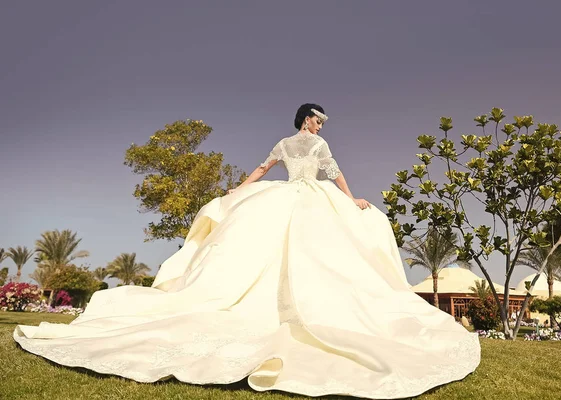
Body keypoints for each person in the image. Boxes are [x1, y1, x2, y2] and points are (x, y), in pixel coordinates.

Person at [13, 104, 480, 399]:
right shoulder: (313, 143)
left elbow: (266, 168)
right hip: (306, 196)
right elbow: (327, 173)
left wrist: (242, 190)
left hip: (288, 195)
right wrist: (349, 196)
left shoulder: (291, 143)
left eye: (320, 122)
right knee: (296, 249)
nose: (319, 125)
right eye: (316, 119)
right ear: (306, 121)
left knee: (301, 252)